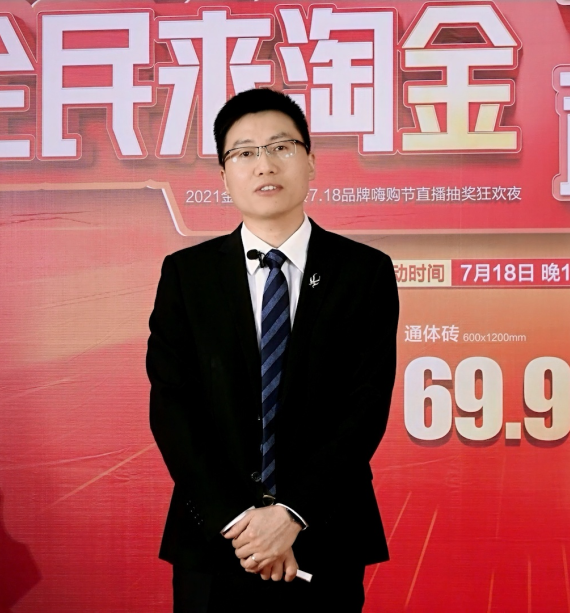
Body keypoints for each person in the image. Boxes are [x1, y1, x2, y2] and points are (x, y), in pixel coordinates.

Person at [147, 87, 399, 612]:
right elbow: (173, 407)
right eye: (244, 152)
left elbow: (364, 408)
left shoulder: (364, 273)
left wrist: (291, 515)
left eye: (282, 147)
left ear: (311, 162)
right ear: (224, 176)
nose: (264, 164)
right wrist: (244, 526)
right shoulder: (188, 276)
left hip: (325, 536)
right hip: (216, 541)